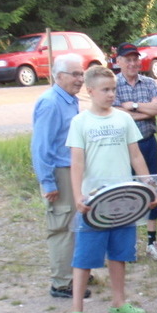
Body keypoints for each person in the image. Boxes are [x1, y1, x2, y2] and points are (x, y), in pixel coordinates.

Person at [66, 66, 157, 313]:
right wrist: (78, 196)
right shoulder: (80, 122)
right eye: (105, 90)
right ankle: (76, 310)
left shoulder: (123, 119)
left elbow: (136, 156)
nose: (110, 94)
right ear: (90, 91)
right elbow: (77, 163)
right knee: (85, 257)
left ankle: (119, 302)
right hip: (93, 202)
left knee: (119, 253)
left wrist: (149, 186)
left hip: (123, 199)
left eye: (113, 89)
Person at [31, 54, 91, 299]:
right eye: (75, 74)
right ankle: (62, 283)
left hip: (73, 171)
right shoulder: (50, 103)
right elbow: (40, 147)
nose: (80, 79)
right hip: (59, 173)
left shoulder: (69, 100)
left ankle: (75, 273)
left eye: (81, 74)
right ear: (58, 76)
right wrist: (48, 182)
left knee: (77, 224)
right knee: (62, 227)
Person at [113, 42, 157, 260]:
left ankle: (152, 242)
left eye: (135, 59)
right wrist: (147, 110)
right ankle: (128, 244)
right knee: (125, 191)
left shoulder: (149, 83)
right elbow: (113, 113)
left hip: (146, 143)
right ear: (119, 61)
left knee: (151, 188)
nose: (133, 63)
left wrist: (133, 106)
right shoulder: (113, 84)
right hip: (122, 147)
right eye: (128, 59)